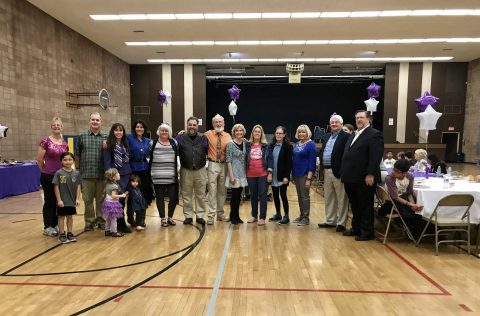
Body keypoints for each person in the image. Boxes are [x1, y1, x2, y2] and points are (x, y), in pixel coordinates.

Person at [341, 110, 384, 241]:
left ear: (368, 120)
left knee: (365, 205)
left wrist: (370, 173)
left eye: (361, 118)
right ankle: (356, 228)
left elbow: (375, 156)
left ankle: (367, 232)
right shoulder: (353, 134)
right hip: (350, 177)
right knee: (354, 205)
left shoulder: (374, 134)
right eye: (357, 118)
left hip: (364, 177)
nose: (358, 120)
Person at [378, 159, 427, 239]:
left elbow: (409, 193)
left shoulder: (410, 177)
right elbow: (395, 197)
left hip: (405, 198)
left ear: (405, 172)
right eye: (394, 169)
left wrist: (413, 205)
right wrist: (410, 204)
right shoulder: (389, 178)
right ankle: (408, 229)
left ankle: (415, 231)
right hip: (393, 200)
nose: (394, 172)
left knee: (419, 212)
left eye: (397, 171)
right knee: (412, 215)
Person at [37, 117, 69, 237]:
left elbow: (66, 159)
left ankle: (55, 224)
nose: (56, 127)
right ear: (51, 127)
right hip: (48, 176)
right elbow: (39, 159)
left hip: (61, 176)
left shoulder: (64, 143)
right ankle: (48, 226)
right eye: (54, 125)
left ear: (62, 127)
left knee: (58, 201)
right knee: (49, 201)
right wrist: (45, 170)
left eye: (58, 125)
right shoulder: (45, 142)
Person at [75, 112, 107, 231]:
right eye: (93, 119)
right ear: (89, 121)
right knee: (87, 200)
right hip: (86, 174)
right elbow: (77, 154)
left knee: (101, 200)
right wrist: (78, 170)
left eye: (97, 120)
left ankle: (101, 221)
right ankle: (89, 222)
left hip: (101, 174)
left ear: (101, 122)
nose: (95, 122)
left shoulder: (106, 136)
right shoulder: (82, 135)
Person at [317, 115, 350, 232]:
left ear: (341, 124)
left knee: (342, 198)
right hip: (326, 171)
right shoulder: (326, 137)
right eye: (332, 122)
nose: (334, 124)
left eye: (336, 122)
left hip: (339, 172)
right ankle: (331, 220)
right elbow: (322, 151)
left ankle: (341, 223)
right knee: (329, 197)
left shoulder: (346, 137)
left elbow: (347, 155)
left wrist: (343, 170)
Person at [177, 117, 208, 225]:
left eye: (194, 125)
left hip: (200, 169)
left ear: (197, 126)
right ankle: (188, 216)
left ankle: (200, 216)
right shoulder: (180, 138)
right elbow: (174, 149)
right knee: (186, 194)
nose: (192, 127)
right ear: (187, 125)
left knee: (200, 194)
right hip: (186, 170)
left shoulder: (203, 138)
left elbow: (207, 150)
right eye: (190, 124)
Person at [103, 123, 132, 233]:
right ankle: (120, 223)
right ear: (112, 131)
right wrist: (111, 177)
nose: (118, 132)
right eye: (116, 130)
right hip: (115, 175)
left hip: (126, 173)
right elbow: (107, 162)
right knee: (117, 200)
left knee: (123, 199)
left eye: (121, 130)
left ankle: (119, 223)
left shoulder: (126, 143)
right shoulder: (108, 144)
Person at [204, 114, 232, 225]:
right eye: (216, 122)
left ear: (223, 123)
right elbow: (196, 137)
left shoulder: (227, 136)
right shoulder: (207, 134)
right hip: (212, 164)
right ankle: (211, 215)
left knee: (222, 191)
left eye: (220, 122)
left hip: (224, 165)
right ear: (213, 123)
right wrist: (181, 134)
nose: (218, 124)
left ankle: (220, 214)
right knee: (212, 190)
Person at [150, 123, 179, 227]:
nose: (164, 132)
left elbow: (177, 157)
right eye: (162, 130)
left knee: (173, 197)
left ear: (169, 132)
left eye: (166, 130)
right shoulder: (152, 143)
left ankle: (170, 217)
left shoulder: (174, 142)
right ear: (159, 131)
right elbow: (148, 157)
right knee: (160, 198)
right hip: (157, 176)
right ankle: (163, 218)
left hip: (171, 176)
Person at [126, 120, 153, 226]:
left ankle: (141, 219)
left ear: (144, 129)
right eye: (137, 127)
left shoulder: (148, 141)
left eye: (141, 127)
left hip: (144, 169)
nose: (139, 129)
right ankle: (130, 218)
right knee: (132, 194)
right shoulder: (129, 138)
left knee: (143, 194)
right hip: (133, 169)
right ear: (134, 128)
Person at [52, 152, 81, 244]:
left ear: (73, 161)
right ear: (61, 161)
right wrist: (59, 200)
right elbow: (56, 187)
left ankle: (70, 233)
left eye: (70, 159)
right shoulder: (59, 173)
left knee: (70, 217)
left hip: (71, 201)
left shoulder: (76, 173)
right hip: (63, 201)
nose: (67, 162)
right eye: (65, 160)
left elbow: (78, 186)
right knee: (61, 217)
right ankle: (61, 234)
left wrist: (77, 198)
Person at [291, 124, 317, 226]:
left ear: (307, 133)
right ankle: (301, 215)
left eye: (303, 132)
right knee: (299, 196)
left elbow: (312, 162)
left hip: (305, 174)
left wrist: (309, 178)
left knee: (304, 196)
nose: (301, 134)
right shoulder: (297, 144)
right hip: (296, 173)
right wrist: (292, 174)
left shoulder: (311, 144)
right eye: (300, 132)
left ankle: (306, 218)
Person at [267, 126, 293, 225]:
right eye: (277, 133)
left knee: (283, 196)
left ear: (284, 135)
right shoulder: (272, 145)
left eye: (280, 133)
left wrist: (286, 176)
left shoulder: (288, 146)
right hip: (273, 175)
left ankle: (286, 216)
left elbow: (289, 163)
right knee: (275, 196)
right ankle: (278, 214)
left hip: (283, 176)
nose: (278, 135)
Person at [245, 124, 270, 226]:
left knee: (263, 196)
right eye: (255, 131)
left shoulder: (265, 146)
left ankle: (262, 217)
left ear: (261, 134)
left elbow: (270, 160)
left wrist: (270, 173)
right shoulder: (248, 145)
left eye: (259, 132)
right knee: (253, 195)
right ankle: (254, 215)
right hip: (250, 174)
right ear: (252, 133)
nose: (256, 133)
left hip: (263, 174)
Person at [225, 124, 248, 225]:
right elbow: (228, 160)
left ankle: (237, 216)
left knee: (238, 196)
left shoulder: (245, 143)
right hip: (234, 172)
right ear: (234, 132)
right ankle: (232, 216)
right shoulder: (230, 144)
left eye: (241, 131)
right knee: (234, 196)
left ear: (243, 132)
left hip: (242, 173)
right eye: (237, 131)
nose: (239, 132)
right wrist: (231, 175)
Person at [102, 168, 127, 237]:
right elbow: (113, 196)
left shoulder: (107, 184)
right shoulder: (114, 186)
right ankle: (114, 232)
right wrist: (122, 195)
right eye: (118, 173)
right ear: (113, 177)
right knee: (114, 219)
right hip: (113, 204)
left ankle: (107, 231)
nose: (119, 174)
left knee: (108, 219)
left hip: (107, 203)